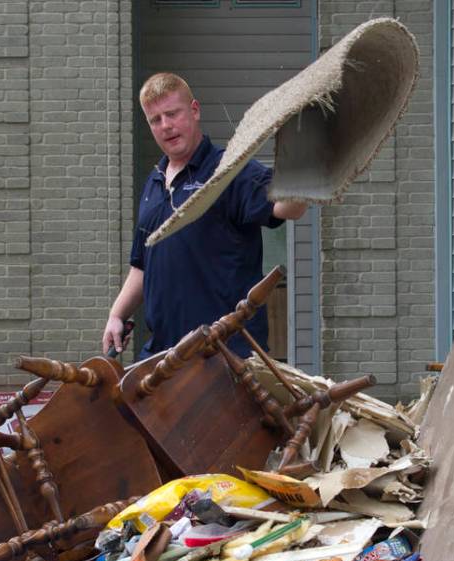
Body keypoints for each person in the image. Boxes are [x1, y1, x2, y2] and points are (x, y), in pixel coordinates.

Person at [103, 73, 307, 360]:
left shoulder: (228, 171)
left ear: (194, 110)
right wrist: (117, 314)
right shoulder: (155, 182)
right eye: (155, 120)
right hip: (165, 355)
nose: (166, 126)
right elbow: (142, 264)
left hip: (224, 355)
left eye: (172, 114)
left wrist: (306, 165)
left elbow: (289, 208)